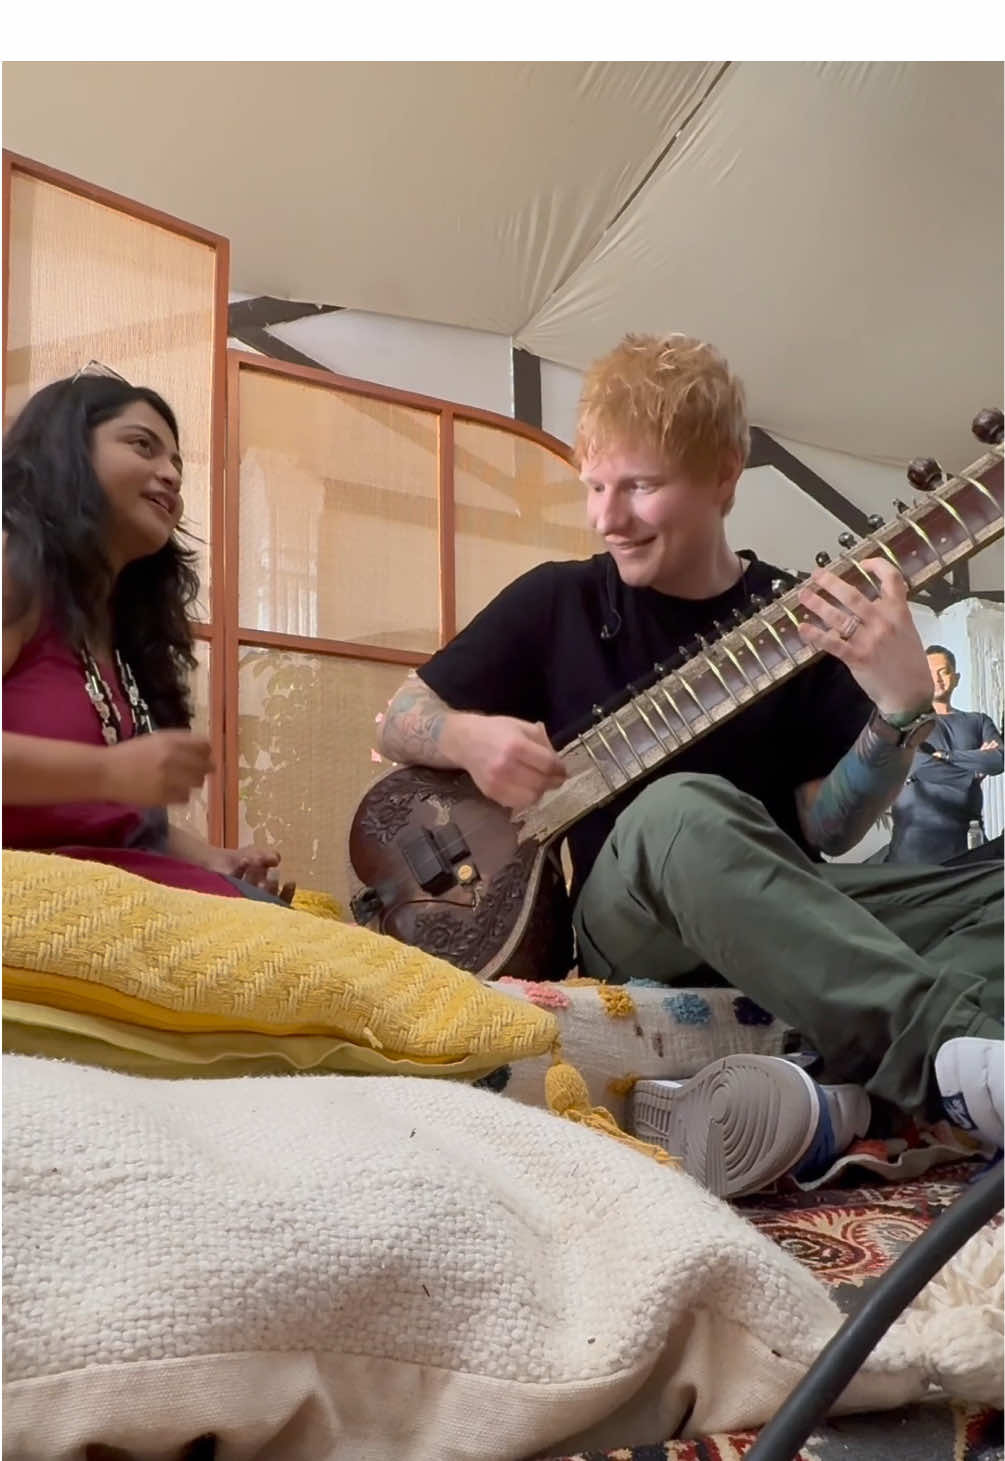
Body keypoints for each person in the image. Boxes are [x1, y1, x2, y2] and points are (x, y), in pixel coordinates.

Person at [376, 333, 1003, 1197]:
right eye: (595, 485)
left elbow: (828, 826)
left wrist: (896, 712)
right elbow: (400, 717)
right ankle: (948, 1065)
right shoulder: (558, 600)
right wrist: (467, 740)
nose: (606, 516)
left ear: (723, 474)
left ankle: (844, 1103)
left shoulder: (804, 616)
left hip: (786, 906)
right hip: (630, 918)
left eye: (639, 485)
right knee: (680, 810)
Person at [3, 365, 289, 903]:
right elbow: (94, 792)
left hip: (112, 883)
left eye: (177, 464)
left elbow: (109, 822)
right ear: (67, 452)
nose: (173, 476)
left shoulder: (116, 628)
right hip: (32, 891)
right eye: (143, 447)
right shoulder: (11, 566)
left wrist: (213, 859)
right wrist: (105, 770)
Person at [886, 645, 1003, 864]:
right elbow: (919, 765)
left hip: (967, 841)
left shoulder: (978, 721)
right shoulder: (907, 722)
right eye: (929, 673)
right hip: (915, 845)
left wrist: (945, 756)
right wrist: (975, 768)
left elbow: (999, 760)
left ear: (956, 678)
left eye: (944, 672)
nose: (937, 679)